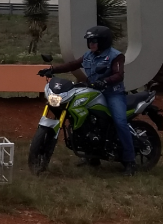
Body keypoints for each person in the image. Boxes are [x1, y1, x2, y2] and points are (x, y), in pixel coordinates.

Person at [38, 26, 137, 176]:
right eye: (89, 41)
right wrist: (52, 70)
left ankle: (130, 161)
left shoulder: (115, 56)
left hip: (112, 94)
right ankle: (91, 156)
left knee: (120, 121)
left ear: (103, 42)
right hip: (92, 91)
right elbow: (72, 65)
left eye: (94, 41)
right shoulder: (88, 55)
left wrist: (105, 81)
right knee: (83, 119)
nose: (91, 44)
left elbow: (119, 75)